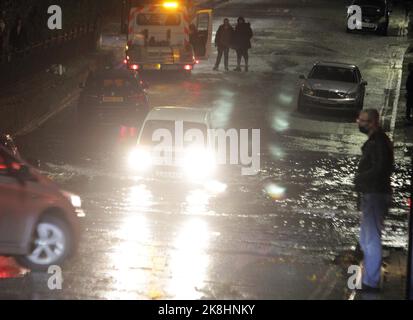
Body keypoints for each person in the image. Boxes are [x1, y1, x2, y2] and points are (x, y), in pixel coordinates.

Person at [354, 109, 394, 292]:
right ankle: (370, 276)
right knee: (365, 238)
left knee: (371, 239)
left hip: (376, 194)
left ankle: (371, 282)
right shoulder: (378, 140)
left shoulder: (378, 142)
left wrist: (360, 178)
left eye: (362, 120)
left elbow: (381, 168)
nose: (358, 123)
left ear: (372, 123)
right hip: (372, 194)